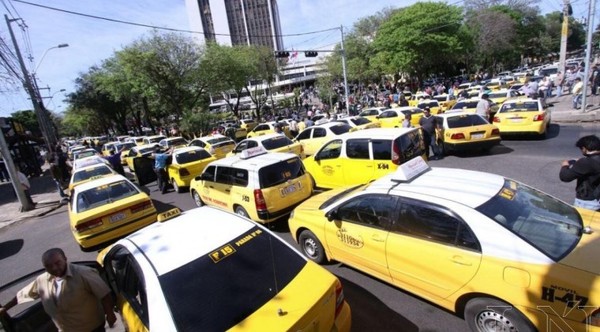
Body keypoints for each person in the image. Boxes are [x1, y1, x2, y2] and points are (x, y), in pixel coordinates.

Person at [0, 248, 116, 331]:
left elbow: (104, 295)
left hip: (91, 328)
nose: (54, 268)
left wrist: (110, 314)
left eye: (57, 263)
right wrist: (5, 308)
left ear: (65, 259)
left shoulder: (83, 273)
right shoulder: (42, 280)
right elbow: (23, 295)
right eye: (49, 266)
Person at [559, 135, 600, 210]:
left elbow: (565, 177)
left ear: (584, 149)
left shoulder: (586, 162)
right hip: (597, 198)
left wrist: (564, 165)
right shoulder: (589, 161)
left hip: (587, 203)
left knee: (582, 221)